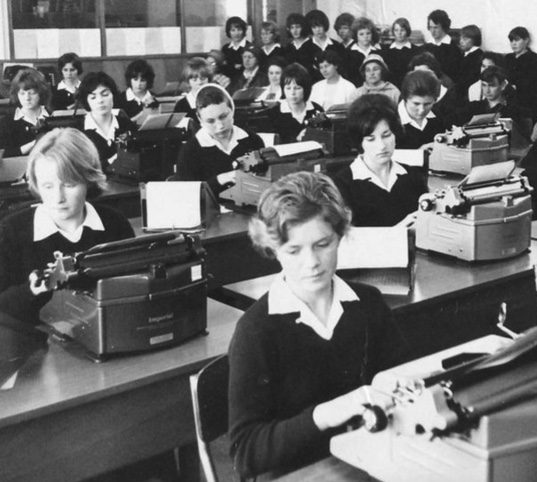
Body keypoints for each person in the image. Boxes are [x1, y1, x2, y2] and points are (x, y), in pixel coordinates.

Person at [228, 170, 407, 479]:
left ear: (341, 235)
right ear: (273, 250)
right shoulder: (256, 330)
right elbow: (246, 453)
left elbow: (403, 381)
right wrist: (328, 413)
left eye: (323, 244)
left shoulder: (368, 303)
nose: (311, 263)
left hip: (368, 461)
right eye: (293, 250)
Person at [0, 127, 134, 324]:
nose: (58, 198)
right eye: (48, 186)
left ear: (89, 180)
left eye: (69, 185)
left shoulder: (115, 223)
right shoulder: (10, 230)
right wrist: (31, 291)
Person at [332, 94, 427, 227]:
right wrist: (399, 231)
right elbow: (349, 240)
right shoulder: (342, 184)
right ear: (359, 142)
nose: (381, 145)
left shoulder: (413, 176)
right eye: (371, 139)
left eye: (386, 135)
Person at [176, 84, 264, 196]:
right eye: (210, 121)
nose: (220, 126)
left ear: (232, 110)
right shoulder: (190, 150)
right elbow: (187, 195)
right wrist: (220, 179)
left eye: (223, 117)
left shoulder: (252, 139)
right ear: (199, 118)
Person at [78, 71, 136, 174]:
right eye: (93, 97)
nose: (100, 100)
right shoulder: (79, 131)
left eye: (105, 94)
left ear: (113, 95)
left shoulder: (126, 124)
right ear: (86, 101)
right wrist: (112, 160)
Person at [454, 66, 531, 126]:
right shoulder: (474, 107)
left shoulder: (513, 110)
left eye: (492, 86)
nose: (487, 90)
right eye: (484, 85)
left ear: (503, 85)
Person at [267, 62, 323, 143]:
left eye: (297, 88)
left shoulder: (316, 109)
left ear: (306, 89)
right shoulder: (274, 113)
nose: (292, 93)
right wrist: (296, 139)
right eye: (288, 88)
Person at [0, 68, 50, 157]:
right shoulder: (5, 123)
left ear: (41, 93)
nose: (27, 98)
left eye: (32, 93)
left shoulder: (54, 118)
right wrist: (34, 144)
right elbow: (4, 155)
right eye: (22, 93)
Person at [397, 70, 445, 149]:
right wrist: (419, 153)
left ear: (435, 100)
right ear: (405, 98)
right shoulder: (390, 121)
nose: (421, 110)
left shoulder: (439, 117)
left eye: (427, 104)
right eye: (416, 104)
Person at [504, 26, 537, 121]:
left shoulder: (533, 59)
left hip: (526, 98)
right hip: (507, 95)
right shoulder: (508, 58)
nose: (513, 43)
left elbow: (531, 84)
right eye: (511, 40)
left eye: (517, 40)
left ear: (526, 40)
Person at [304, 9, 346, 82]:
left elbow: (342, 69)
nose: (317, 30)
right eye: (314, 27)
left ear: (325, 25)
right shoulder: (305, 47)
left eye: (320, 26)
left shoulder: (337, 46)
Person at [423, 9, 462, 83]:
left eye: (436, 27)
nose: (432, 31)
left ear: (444, 27)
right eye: (430, 27)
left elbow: (454, 75)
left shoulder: (454, 49)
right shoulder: (426, 46)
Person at [382, 18, 418, 88]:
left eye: (402, 30)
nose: (399, 33)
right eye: (396, 30)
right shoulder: (385, 51)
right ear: (393, 32)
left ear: (407, 31)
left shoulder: (416, 50)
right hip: (389, 88)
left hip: (410, 87)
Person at [173, 56, 212, 123]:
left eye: (203, 78)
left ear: (208, 79)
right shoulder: (181, 105)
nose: (199, 82)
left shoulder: (215, 99)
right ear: (188, 81)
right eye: (194, 79)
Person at [347, 16, 380, 86]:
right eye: (361, 34)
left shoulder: (378, 53)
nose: (365, 36)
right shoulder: (348, 53)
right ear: (356, 36)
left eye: (368, 33)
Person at [457, 25, 483, 94]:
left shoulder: (478, 55)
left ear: (474, 39)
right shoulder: (465, 54)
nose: (461, 41)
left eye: (465, 39)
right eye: (460, 38)